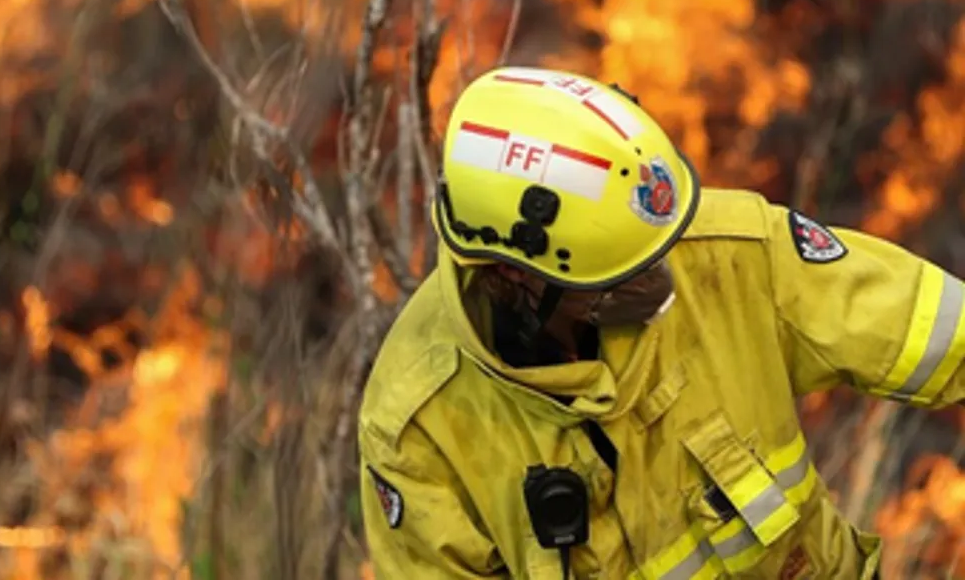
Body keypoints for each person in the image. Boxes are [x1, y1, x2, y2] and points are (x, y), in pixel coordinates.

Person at [358, 65, 963, 579]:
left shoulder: (732, 253)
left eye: (656, 253)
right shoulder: (418, 430)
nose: (663, 283)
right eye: (619, 277)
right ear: (512, 279)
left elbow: (937, 326)